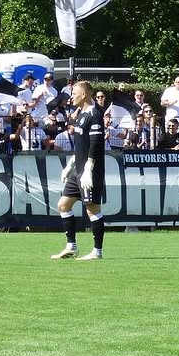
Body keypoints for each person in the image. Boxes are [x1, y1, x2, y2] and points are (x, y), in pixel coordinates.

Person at [52, 83, 106, 261]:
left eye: (74, 93)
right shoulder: (81, 115)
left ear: (83, 95)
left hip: (90, 172)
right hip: (78, 171)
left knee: (92, 210)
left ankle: (97, 251)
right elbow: (81, 146)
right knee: (63, 205)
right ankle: (71, 247)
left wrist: (89, 168)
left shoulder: (95, 115)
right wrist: (71, 165)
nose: (71, 97)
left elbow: (95, 145)